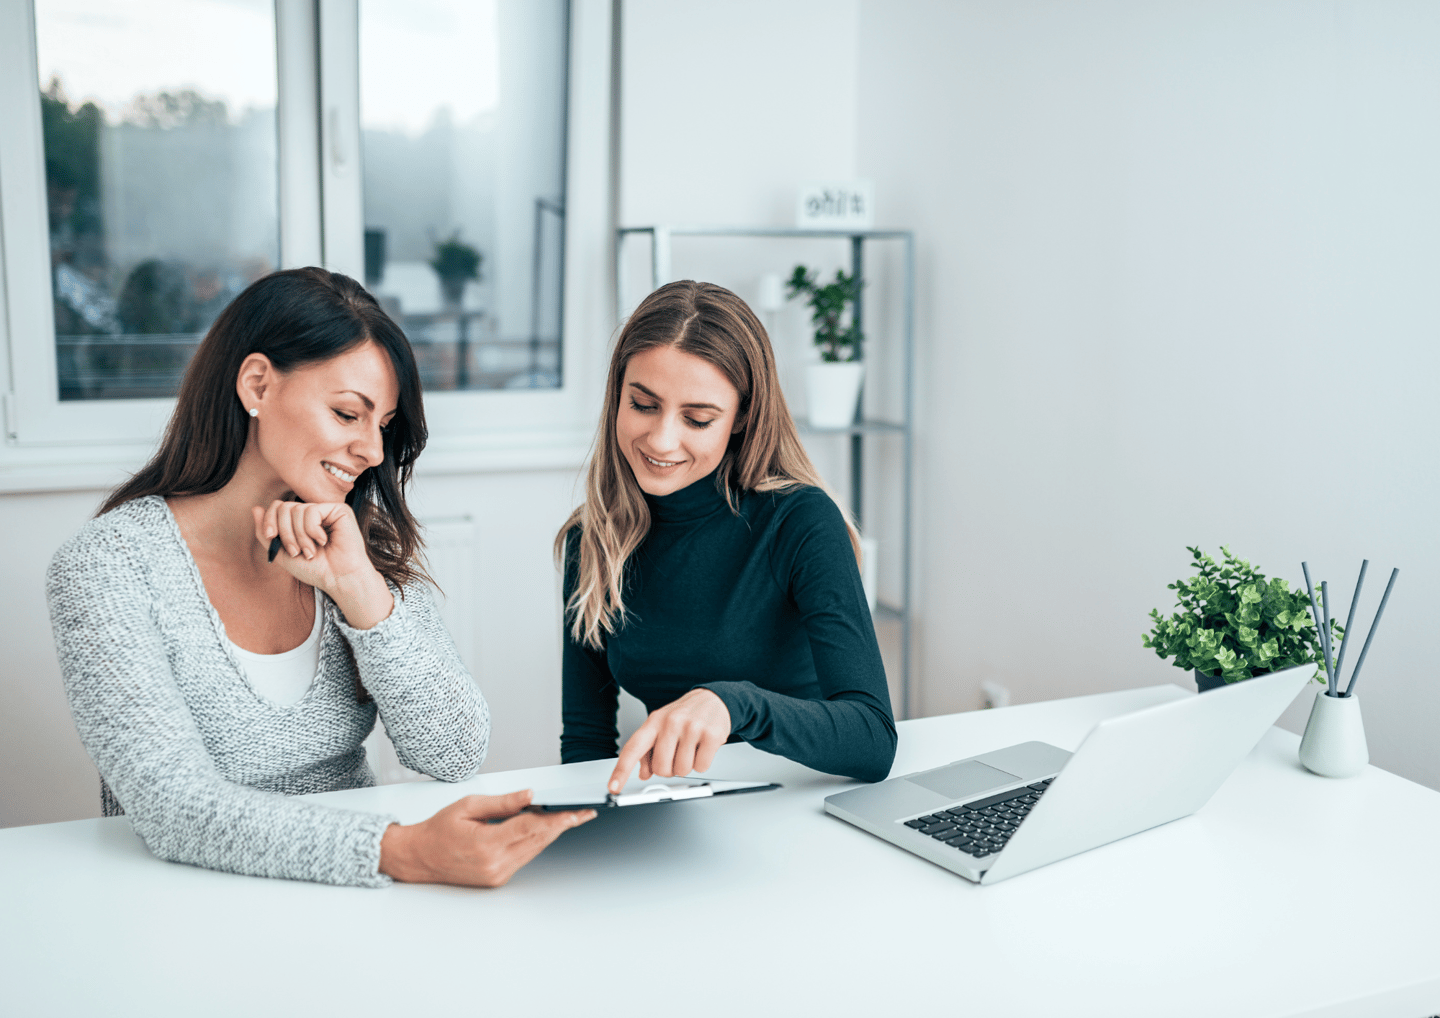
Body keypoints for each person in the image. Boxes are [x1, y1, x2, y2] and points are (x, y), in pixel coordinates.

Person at [47, 267, 592, 889]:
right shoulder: (108, 564)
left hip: (356, 896)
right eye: (347, 413)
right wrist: (400, 851)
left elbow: (454, 750)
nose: (373, 452)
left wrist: (359, 589)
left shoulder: (355, 543)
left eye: (382, 425)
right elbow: (173, 807)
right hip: (189, 901)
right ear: (257, 384)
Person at [557, 280, 897, 794]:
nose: (661, 440)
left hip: (801, 801)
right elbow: (586, 740)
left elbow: (873, 739)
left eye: (697, 419)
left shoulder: (800, 521)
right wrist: (591, 823)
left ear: (741, 418)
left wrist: (734, 703)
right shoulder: (594, 537)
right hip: (678, 810)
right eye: (643, 405)